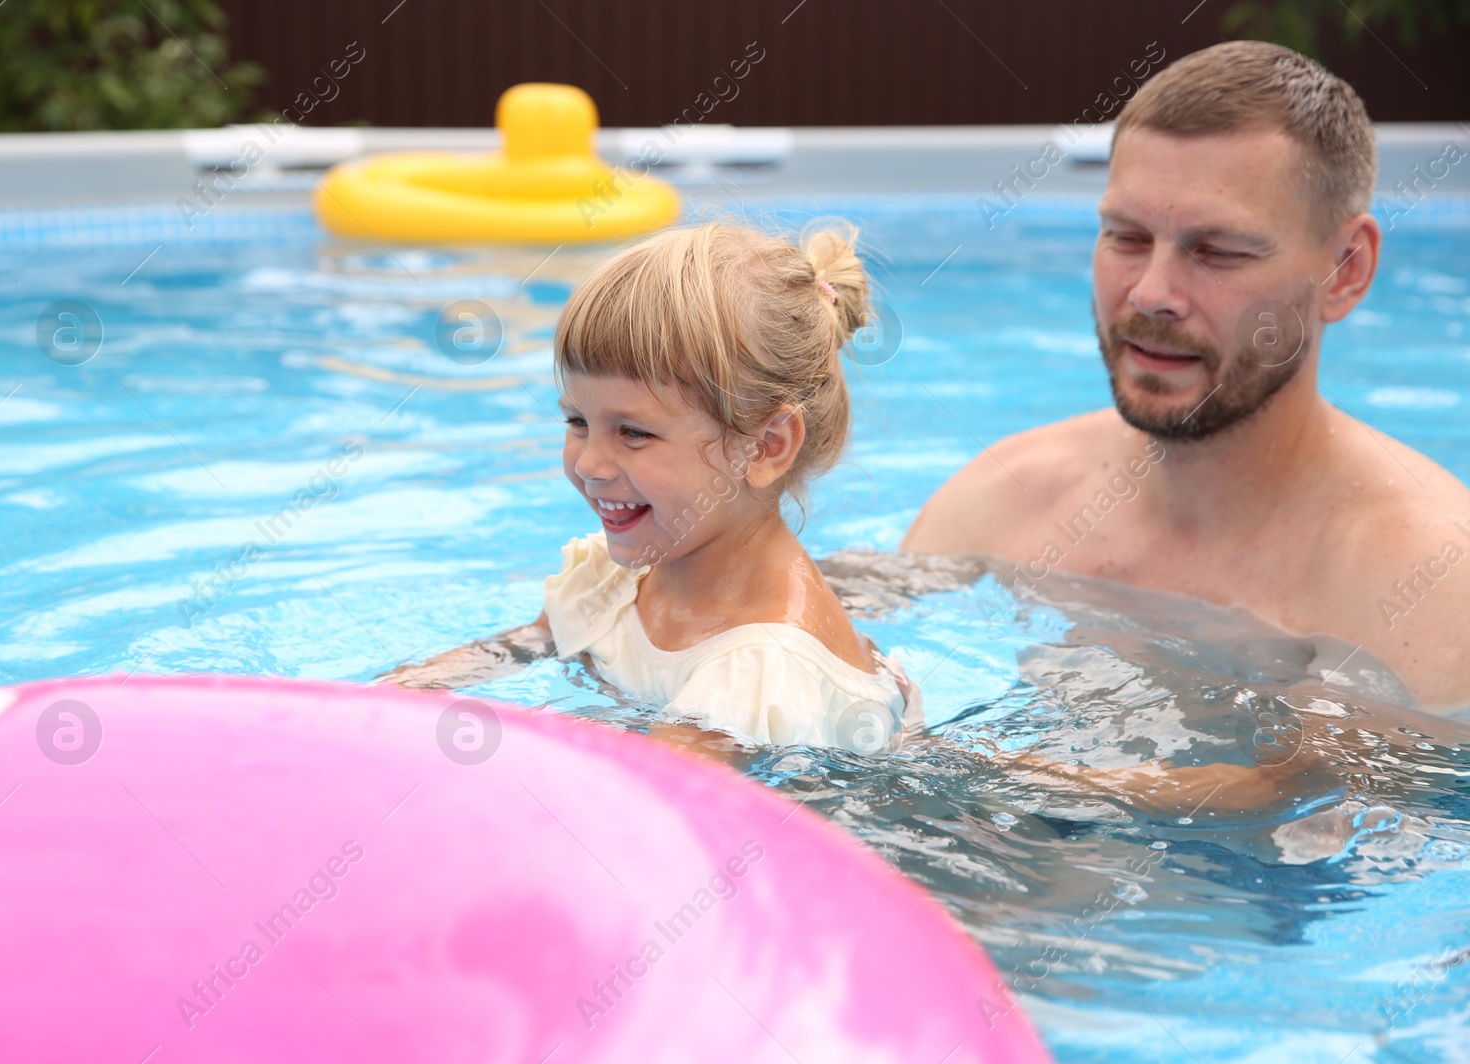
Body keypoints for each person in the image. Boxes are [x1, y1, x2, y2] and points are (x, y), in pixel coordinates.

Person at [903, 40, 1470, 713]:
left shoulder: (1429, 583)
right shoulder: (1003, 499)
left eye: (1217, 251)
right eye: (1126, 237)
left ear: (1344, 270)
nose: (1150, 292)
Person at [384, 222, 917, 751]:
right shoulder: (614, 581)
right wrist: (383, 699)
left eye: (634, 433)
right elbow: (520, 648)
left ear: (765, 447)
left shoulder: (755, 676)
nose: (590, 463)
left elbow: (650, 820)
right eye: (576, 421)